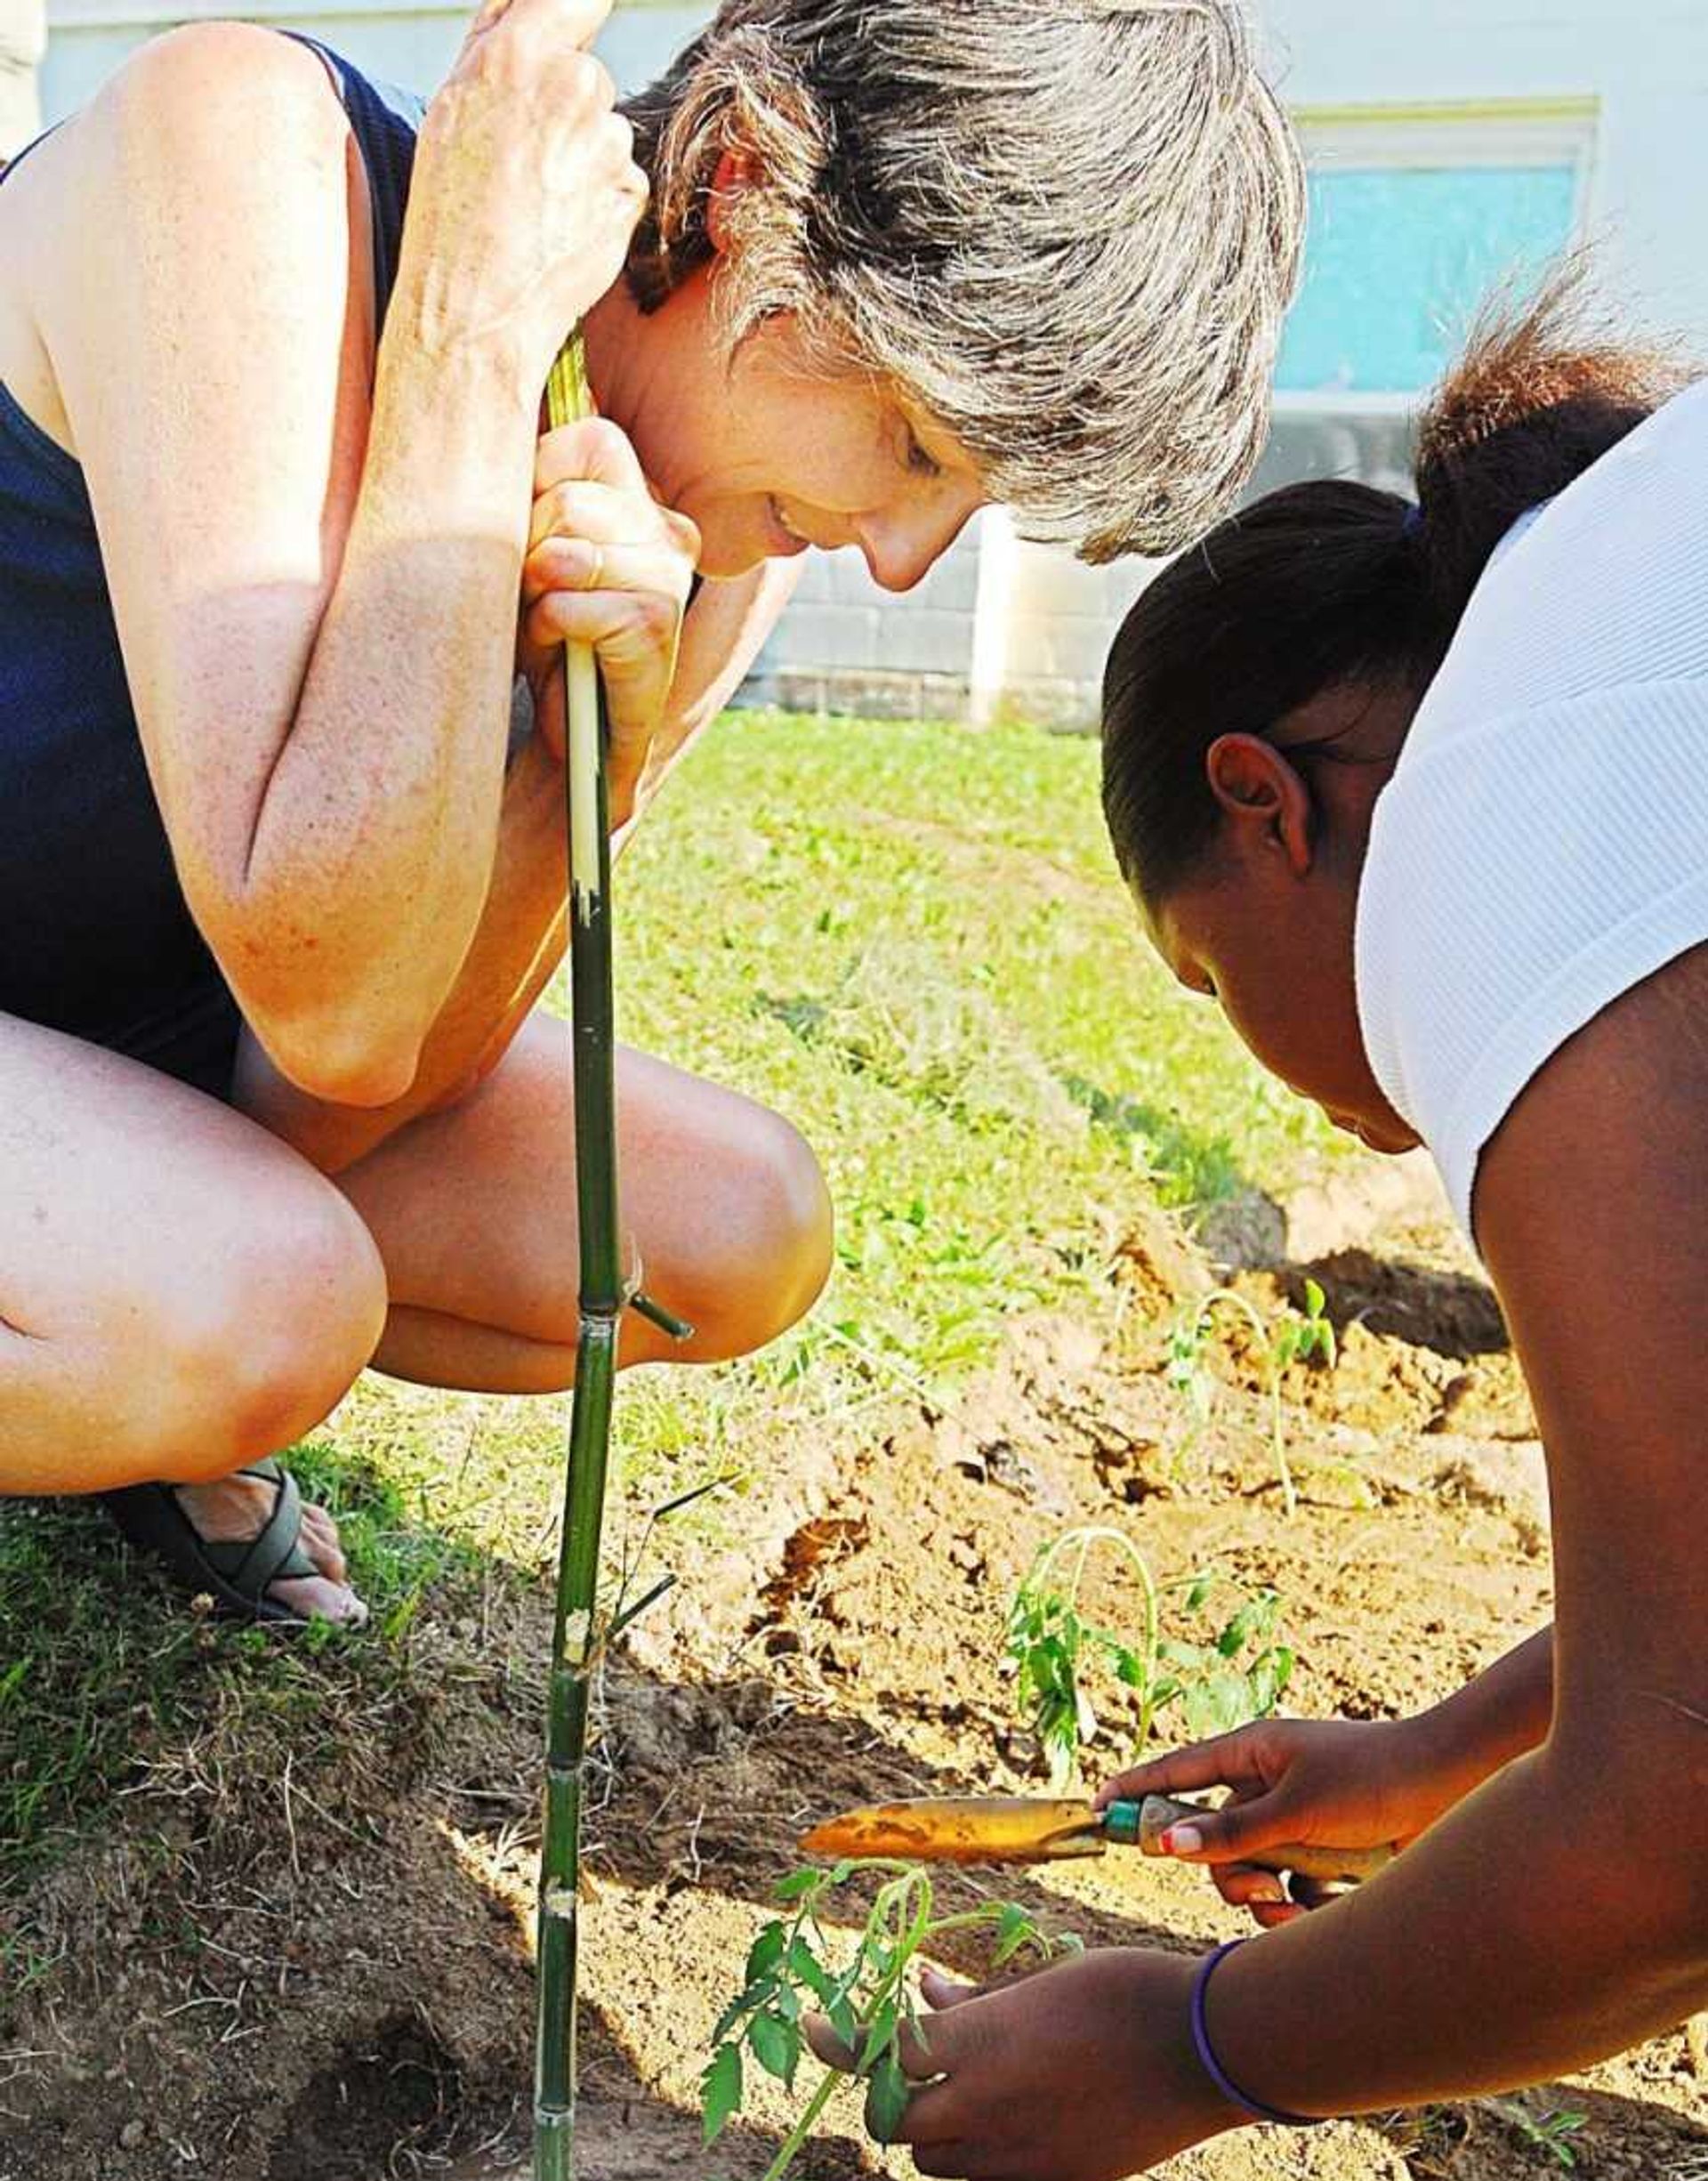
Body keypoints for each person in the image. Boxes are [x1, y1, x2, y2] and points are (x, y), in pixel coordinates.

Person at [0, 0, 1302, 1622]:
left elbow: (350, 1094)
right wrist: (470, 345)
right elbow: (329, 1001)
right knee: (255, 1299)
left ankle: (123, 1346)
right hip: (110, 1015)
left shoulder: (716, 549)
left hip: (127, 1031)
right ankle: (135, 1326)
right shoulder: (249, 150)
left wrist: (572, 774)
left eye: (963, 506)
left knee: (731, 1228)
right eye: (908, 445)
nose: (897, 559)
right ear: (748, 183)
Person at [807, 279, 1708, 2181]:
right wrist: (1430, 1758)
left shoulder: (1496, 830)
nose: (1282, 1076)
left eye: (1206, 976)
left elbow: (1680, 1819)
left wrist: (1196, 2037)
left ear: (1266, 802)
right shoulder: (1604, 632)